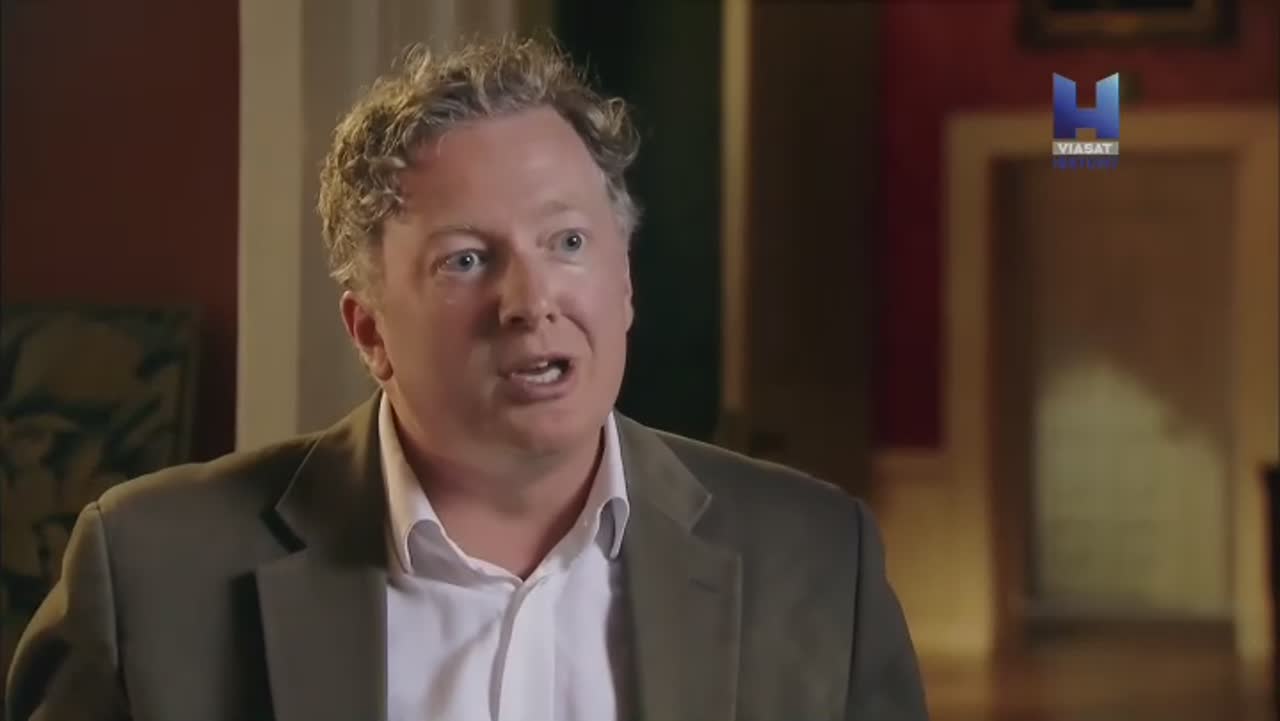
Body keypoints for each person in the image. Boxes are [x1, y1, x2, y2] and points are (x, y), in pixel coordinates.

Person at [5, 37, 928, 721]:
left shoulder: (816, 562)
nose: (530, 300)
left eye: (568, 241)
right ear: (370, 331)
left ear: (625, 285)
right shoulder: (152, 574)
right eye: (465, 260)